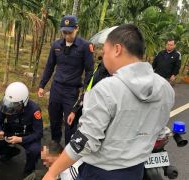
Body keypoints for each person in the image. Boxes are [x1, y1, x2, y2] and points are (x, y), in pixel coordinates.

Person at [43, 24, 175, 180]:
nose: (103, 57)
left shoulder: (107, 89)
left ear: (117, 49)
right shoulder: (166, 89)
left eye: (104, 52)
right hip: (136, 171)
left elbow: (85, 141)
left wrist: (52, 172)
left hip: (99, 172)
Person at [38, 15, 94, 145]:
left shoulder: (85, 46)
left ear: (76, 29)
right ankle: (55, 143)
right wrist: (42, 85)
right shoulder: (56, 45)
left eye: (70, 32)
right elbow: (49, 66)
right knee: (54, 118)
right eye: (64, 32)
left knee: (70, 122)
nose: (67, 35)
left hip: (72, 91)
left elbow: (89, 71)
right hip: (56, 88)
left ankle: (69, 149)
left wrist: (86, 91)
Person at [0, 82, 43, 176]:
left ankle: (28, 171)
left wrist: (21, 139)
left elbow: (38, 133)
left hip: (27, 134)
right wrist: (0, 131)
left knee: (34, 150)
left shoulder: (34, 110)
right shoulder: (5, 102)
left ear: (24, 102)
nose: (11, 107)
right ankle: (10, 152)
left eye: (15, 105)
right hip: (10, 130)